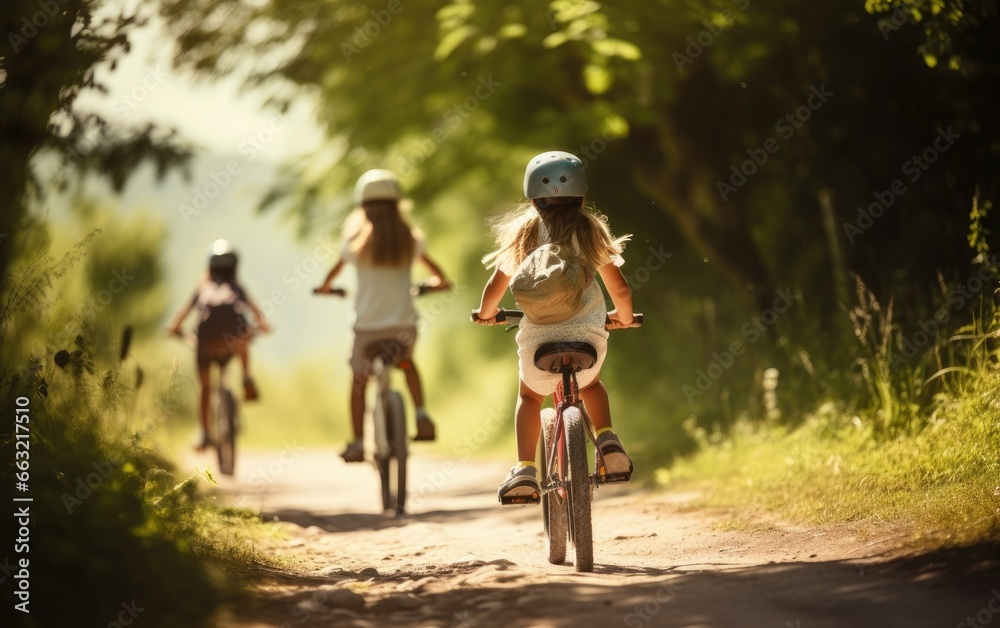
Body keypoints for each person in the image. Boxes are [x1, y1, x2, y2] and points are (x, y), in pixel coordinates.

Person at [472, 151, 635, 504]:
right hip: (588, 339)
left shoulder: (525, 233)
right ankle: (607, 441)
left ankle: (525, 469)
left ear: (532, 196)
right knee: (591, 385)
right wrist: (622, 317)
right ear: (582, 194)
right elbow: (620, 289)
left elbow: (494, 289)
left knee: (530, 397)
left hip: (538, 344)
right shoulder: (591, 230)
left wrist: (488, 313)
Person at [315, 169, 451, 463]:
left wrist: (328, 290)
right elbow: (442, 278)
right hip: (402, 326)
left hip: (366, 329)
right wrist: (428, 287)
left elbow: (329, 278)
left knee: (359, 380)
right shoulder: (410, 240)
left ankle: (357, 443)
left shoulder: (354, 243)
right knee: (407, 363)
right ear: (397, 205)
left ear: (363, 207)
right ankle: (421, 414)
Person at [166, 239, 271, 451]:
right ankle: (246, 375)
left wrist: (174, 330)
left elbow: (183, 314)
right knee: (244, 336)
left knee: (206, 386)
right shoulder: (236, 287)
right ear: (234, 267)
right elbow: (256, 312)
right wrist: (263, 326)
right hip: (232, 342)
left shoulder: (202, 288)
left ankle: (204, 433)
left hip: (205, 343)